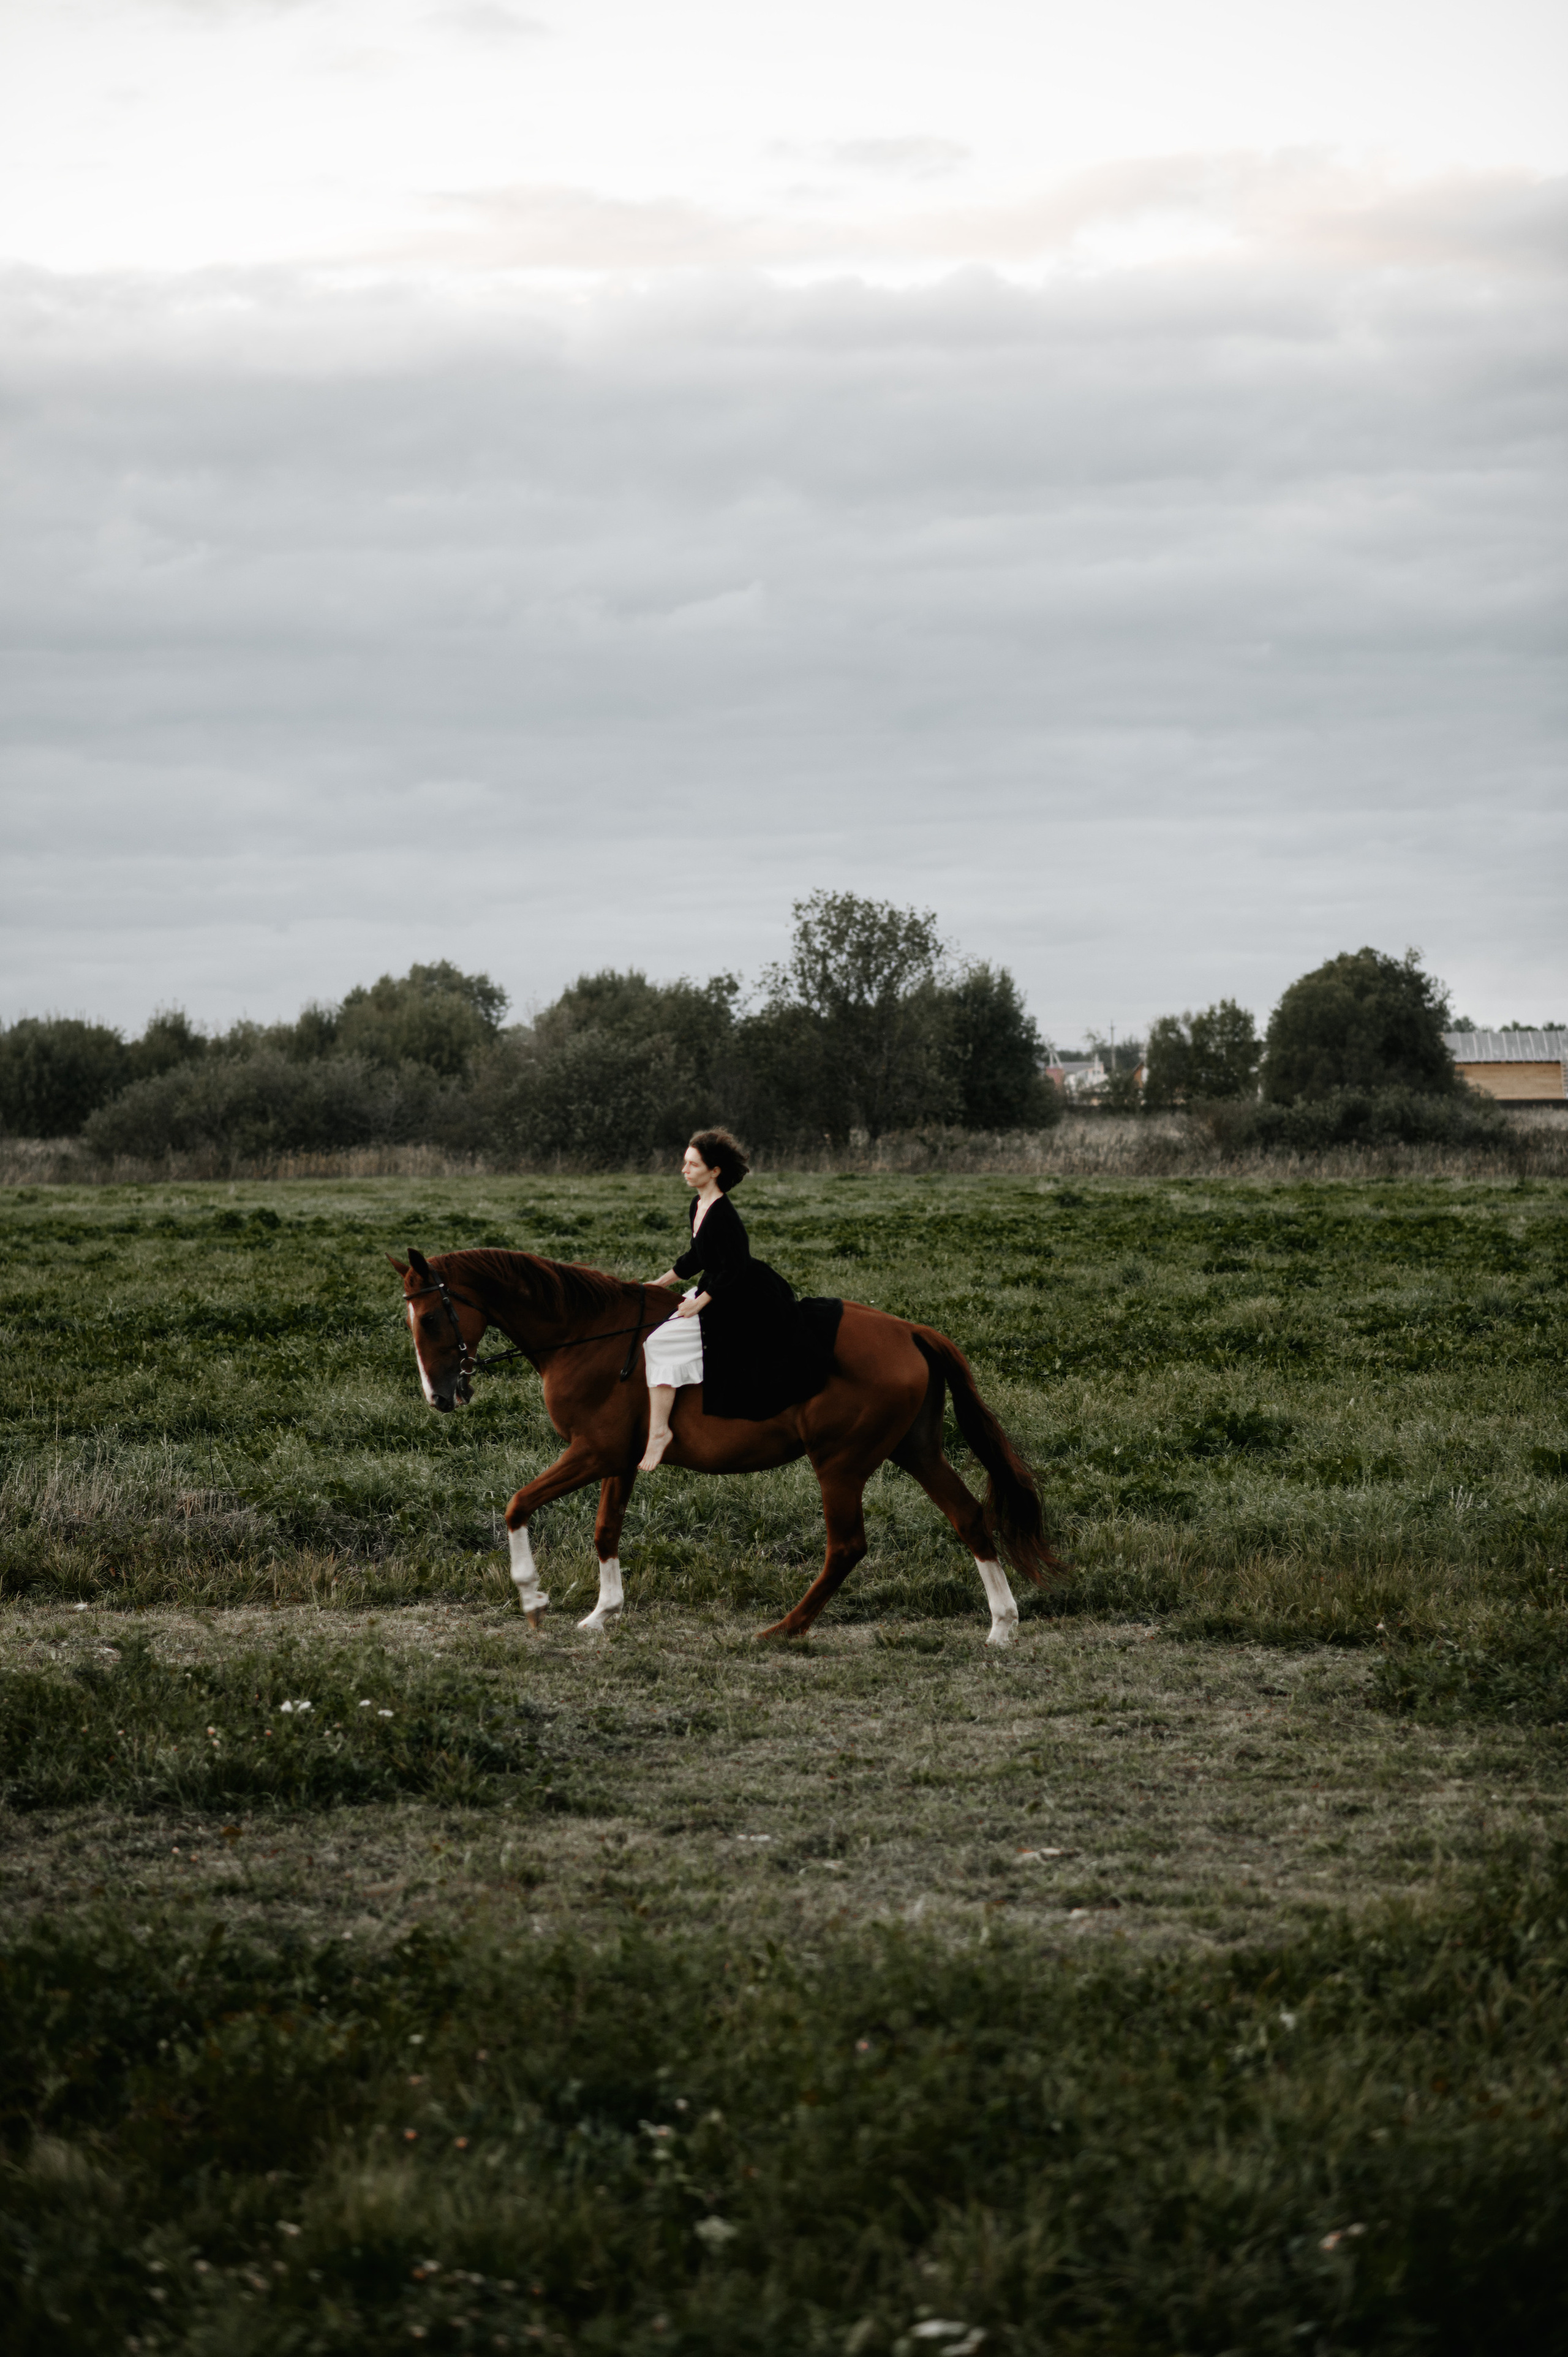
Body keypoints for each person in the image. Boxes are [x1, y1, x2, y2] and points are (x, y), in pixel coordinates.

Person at [638, 1127, 841, 1472]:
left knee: (658, 1342)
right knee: (659, 1329)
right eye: (685, 1163)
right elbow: (697, 1255)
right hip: (718, 1284)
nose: (684, 1170)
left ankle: (660, 1432)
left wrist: (699, 1303)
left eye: (693, 1164)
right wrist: (660, 1282)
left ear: (714, 1171)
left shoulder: (723, 1215)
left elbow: (735, 1268)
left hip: (739, 1295)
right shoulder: (698, 1204)